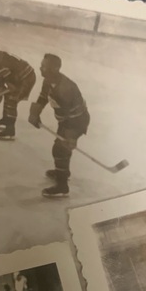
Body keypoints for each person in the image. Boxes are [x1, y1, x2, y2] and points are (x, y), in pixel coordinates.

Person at [28, 54, 90, 199]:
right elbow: (43, 97)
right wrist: (35, 113)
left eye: (44, 66)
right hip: (65, 120)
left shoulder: (66, 88)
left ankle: (62, 186)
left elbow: (74, 116)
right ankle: (63, 171)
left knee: (60, 149)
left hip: (76, 121)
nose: (40, 68)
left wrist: (71, 137)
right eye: (41, 65)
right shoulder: (48, 81)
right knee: (61, 147)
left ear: (55, 69)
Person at [0, 38, 36, 141]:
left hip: (27, 78)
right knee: (8, 95)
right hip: (19, 77)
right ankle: (6, 120)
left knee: (12, 99)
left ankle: (10, 130)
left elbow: (12, 85)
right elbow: (1, 80)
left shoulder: (3, 61)